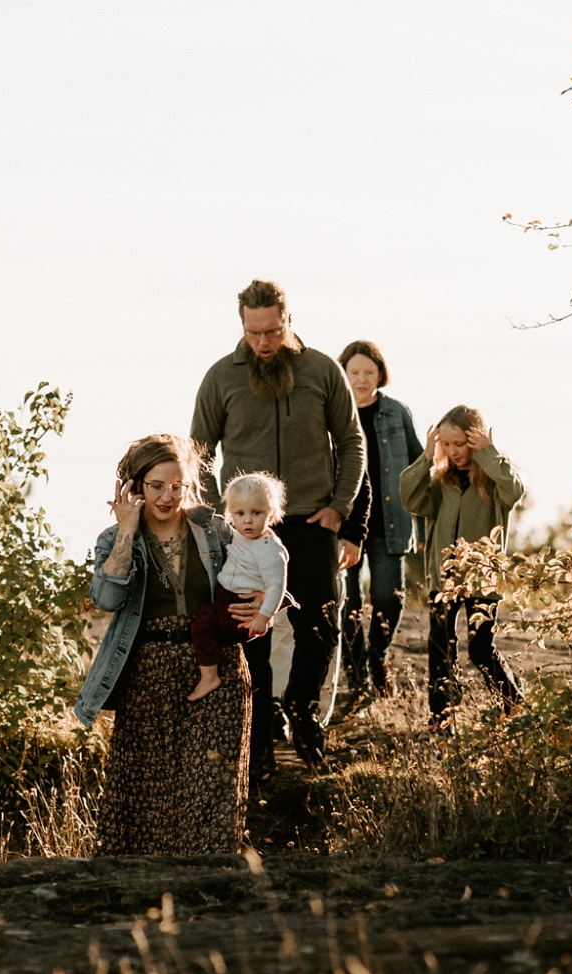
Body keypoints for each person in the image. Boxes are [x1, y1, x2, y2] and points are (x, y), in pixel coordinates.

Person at [191, 279, 366, 774]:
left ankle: (304, 711)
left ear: (287, 320)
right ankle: (261, 738)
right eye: (253, 333)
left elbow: (352, 442)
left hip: (312, 520)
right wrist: (216, 521)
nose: (263, 343)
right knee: (253, 632)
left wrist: (339, 508)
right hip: (245, 529)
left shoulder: (322, 370)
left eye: (271, 331)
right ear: (243, 325)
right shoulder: (221, 378)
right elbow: (198, 455)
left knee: (321, 624)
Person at [75, 434, 260, 854]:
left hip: (217, 669)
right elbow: (105, 599)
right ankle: (148, 895)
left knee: (210, 785)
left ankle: (209, 888)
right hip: (148, 675)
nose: (167, 495)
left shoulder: (214, 530)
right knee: (145, 791)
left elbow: (263, 564)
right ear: (135, 487)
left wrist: (263, 602)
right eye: (157, 485)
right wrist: (126, 532)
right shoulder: (114, 538)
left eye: (177, 485)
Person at [400, 406, 526, 729]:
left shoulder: (494, 481)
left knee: (481, 649)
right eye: (447, 444)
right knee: (440, 648)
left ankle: (513, 702)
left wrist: (489, 453)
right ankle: (441, 718)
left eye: (461, 443)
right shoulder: (440, 482)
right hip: (442, 579)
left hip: (482, 578)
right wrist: (426, 457)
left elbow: (516, 489)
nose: (454, 451)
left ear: (475, 440)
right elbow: (409, 498)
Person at [334, 340, 424, 711]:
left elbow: (418, 461)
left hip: (389, 519)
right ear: (343, 374)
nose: (361, 379)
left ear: (380, 374)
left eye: (368, 372)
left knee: (388, 596)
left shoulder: (396, 413)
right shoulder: (331, 413)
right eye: (354, 372)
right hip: (343, 521)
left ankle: (377, 657)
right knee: (347, 602)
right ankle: (358, 680)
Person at [187, 472, 291, 704]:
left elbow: (277, 585)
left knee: (203, 625)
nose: (248, 520)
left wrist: (263, 617)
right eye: (240, 513)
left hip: (243, 605)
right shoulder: (237, 535)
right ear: (230, 515)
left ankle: (209, 677)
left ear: (271, 514)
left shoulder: (270, 550)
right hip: (226, 596)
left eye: (257, 513)